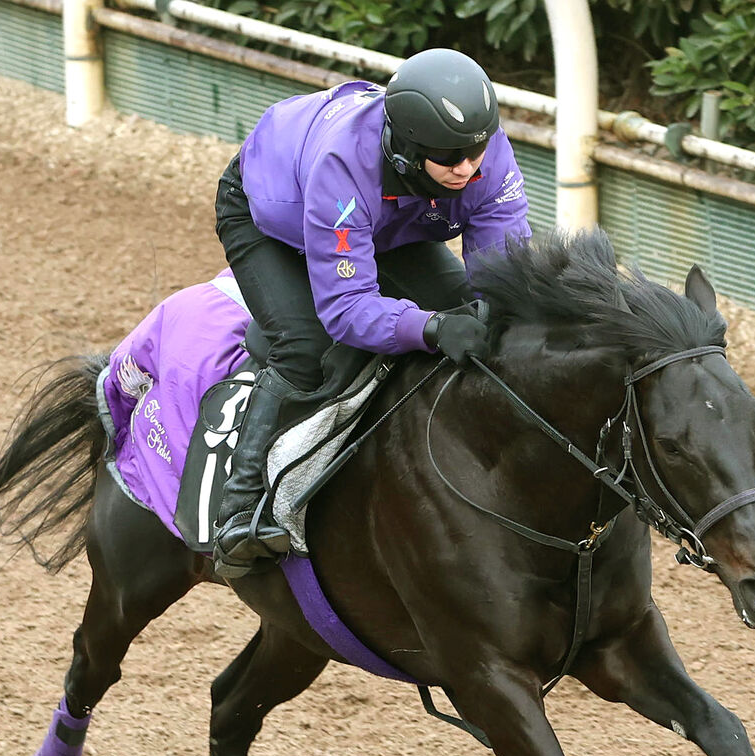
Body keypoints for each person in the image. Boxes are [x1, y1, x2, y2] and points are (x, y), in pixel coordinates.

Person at [211, 46, 532, 578]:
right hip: (270, 211)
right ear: (406, 146)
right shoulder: (345, 165)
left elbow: (505, 283)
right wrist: (428, 327)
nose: (468, 168)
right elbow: (346, 309)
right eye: (451, 158)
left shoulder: (484, 156)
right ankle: (240, 508)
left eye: (476, 152)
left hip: (388, 220)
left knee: (478, 323)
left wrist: (483, 318)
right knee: (307, 346)